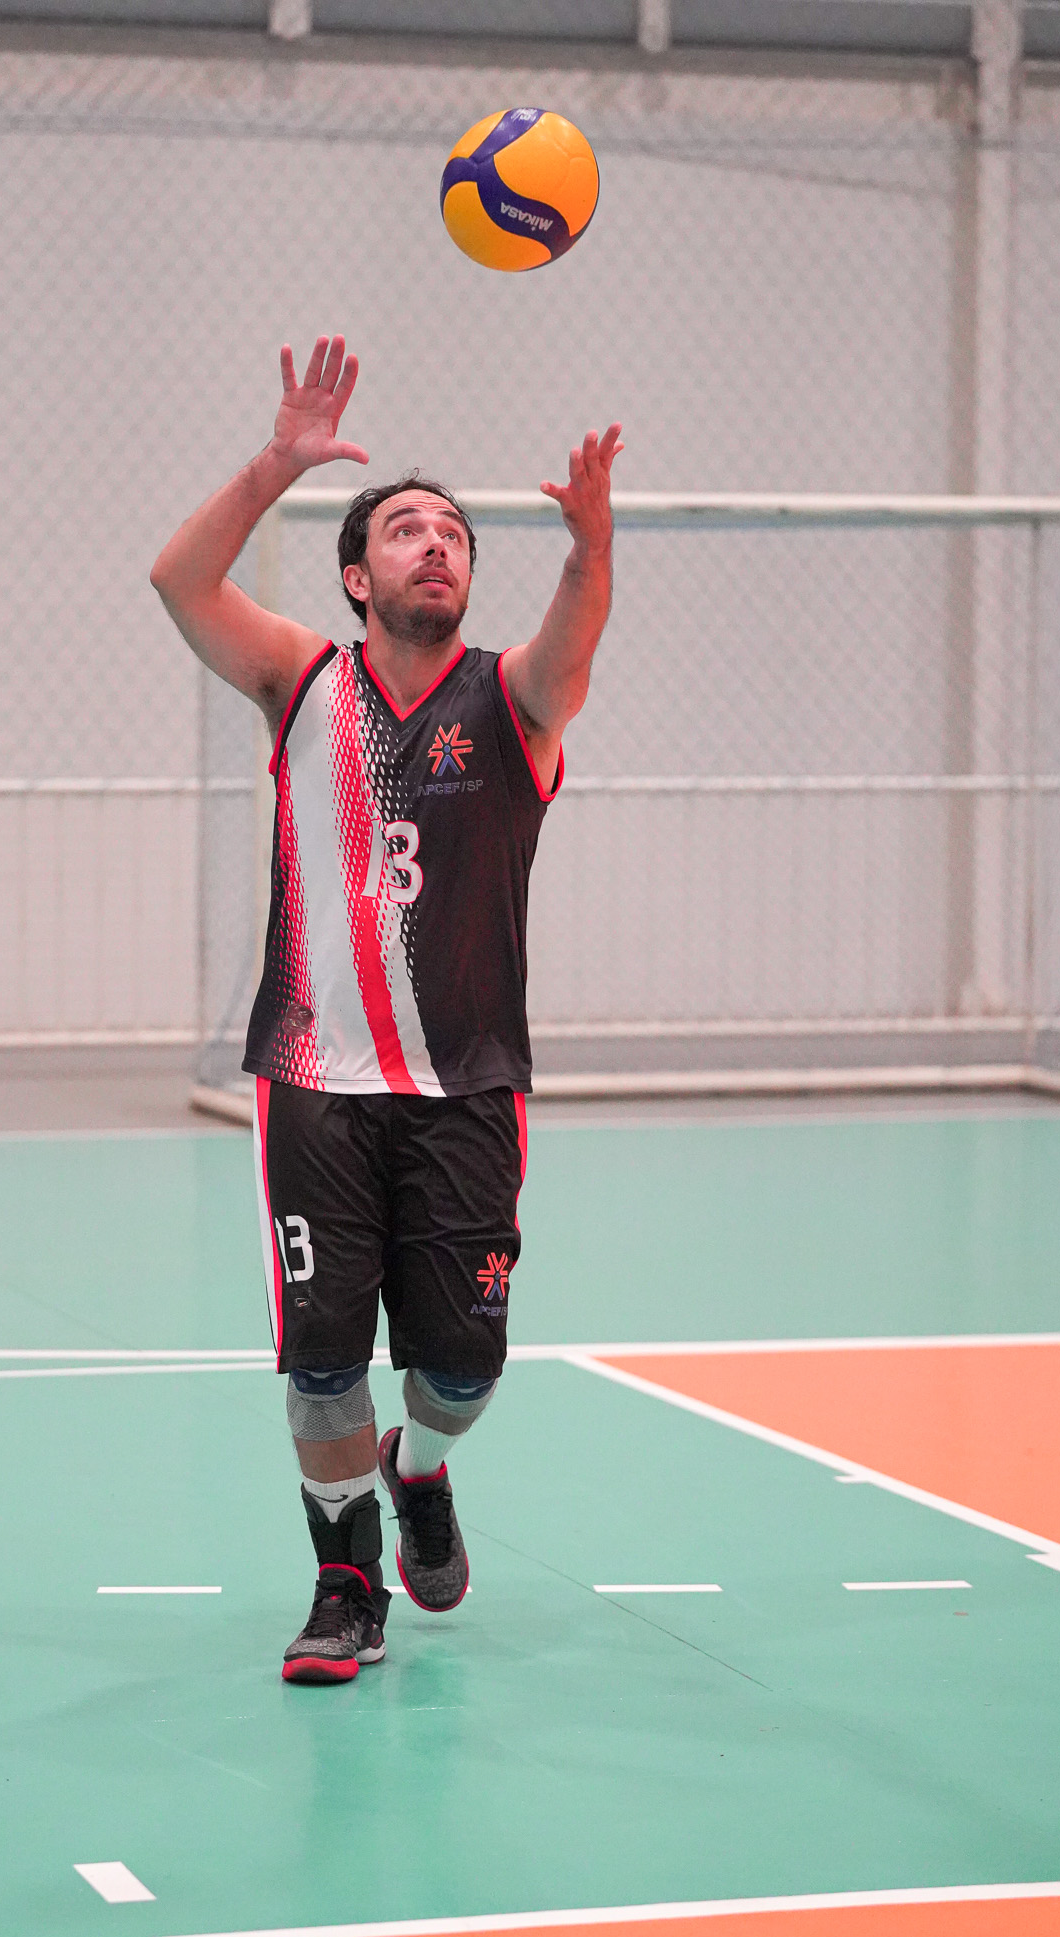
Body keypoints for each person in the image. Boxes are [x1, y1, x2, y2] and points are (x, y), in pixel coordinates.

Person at [151, 335, 621, 1684]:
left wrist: (589, 546)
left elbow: (575, 639)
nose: (436, 546)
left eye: (454, 535)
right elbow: (178, 581)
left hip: (466, 1082)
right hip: (314, 1078)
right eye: (407, 530)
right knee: (319, 1365)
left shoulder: (513, 700)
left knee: (462, 1367)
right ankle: (345, 1581)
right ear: (357, 575)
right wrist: (276, 463)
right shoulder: (303, 680)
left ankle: (421, 1471)